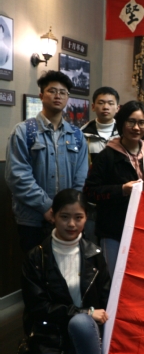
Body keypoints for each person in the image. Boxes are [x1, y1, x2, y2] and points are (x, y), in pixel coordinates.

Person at [22, 188, 111, 354]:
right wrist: (85, 312)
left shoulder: (94, 253)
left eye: (78, 217)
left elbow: (106, 298)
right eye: (64, 217)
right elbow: (38, 307)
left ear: (86, 218)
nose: (71, 224)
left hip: (87, 330)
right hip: (50, 335)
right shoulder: (35, 257)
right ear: (53, 216)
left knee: (81, 323)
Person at [6, 70, 88, 252]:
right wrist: (47, 206)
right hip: (32, 219)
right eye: (52, 91)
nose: (58, 96)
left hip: (67, 220)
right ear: (41, 96)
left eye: (63, 92)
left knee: (66, 265)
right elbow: (17, 176)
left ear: (67, 98)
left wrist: (66, 210)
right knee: (34, 265)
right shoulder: (24, 131)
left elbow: (81, 177)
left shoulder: (76, 135)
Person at [84, 101, 144, 278]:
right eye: (131, 122)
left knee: (140, 280)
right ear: (121, 123)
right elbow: (90, 192)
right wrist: (121, 190)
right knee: (113, 280)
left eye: (141, 122)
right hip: (113, 232)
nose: (136, 128)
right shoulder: (107, 156)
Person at [80, 87, 120, 244]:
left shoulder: (124, 134)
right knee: (90, 246)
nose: (106, 107)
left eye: (110, 103)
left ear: (117, 107)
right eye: (101, 103)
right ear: (93, 106)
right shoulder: (81, 134)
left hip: (117, 199)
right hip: (90, 201)